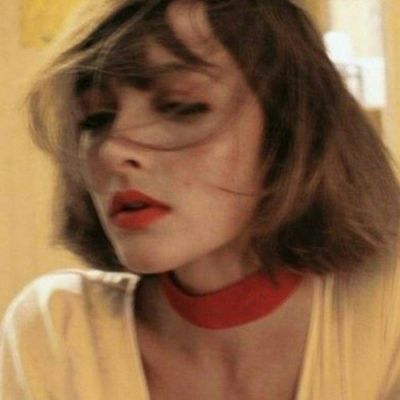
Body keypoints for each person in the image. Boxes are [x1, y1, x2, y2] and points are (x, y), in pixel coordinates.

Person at [1, 0, 400, 398]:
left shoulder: (388, 313)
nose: (111, 151)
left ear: (290, 132)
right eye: (95, 118)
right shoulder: (58, 336)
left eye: (181, 106)